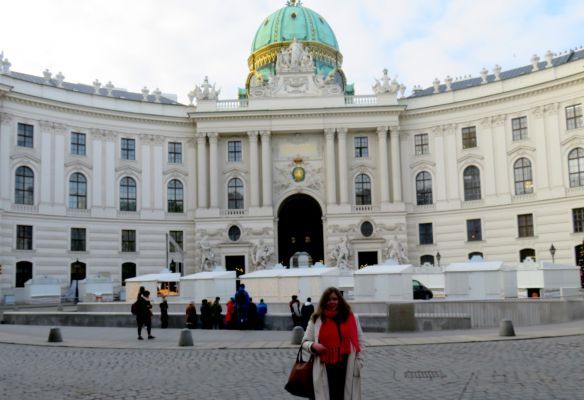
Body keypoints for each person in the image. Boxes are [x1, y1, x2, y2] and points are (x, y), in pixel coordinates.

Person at [301, 287, 365, 400]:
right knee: (328, 395)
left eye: (335, 299)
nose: (332, 302)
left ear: (340, 300)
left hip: (347, 365)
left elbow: (360, 341)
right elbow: (305, 341)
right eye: (328, 299)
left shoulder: (352, 318)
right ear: (324, 301)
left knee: (344, 395)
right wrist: (313, 345)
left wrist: (360, 362)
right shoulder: (316, 319)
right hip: (324, 365)